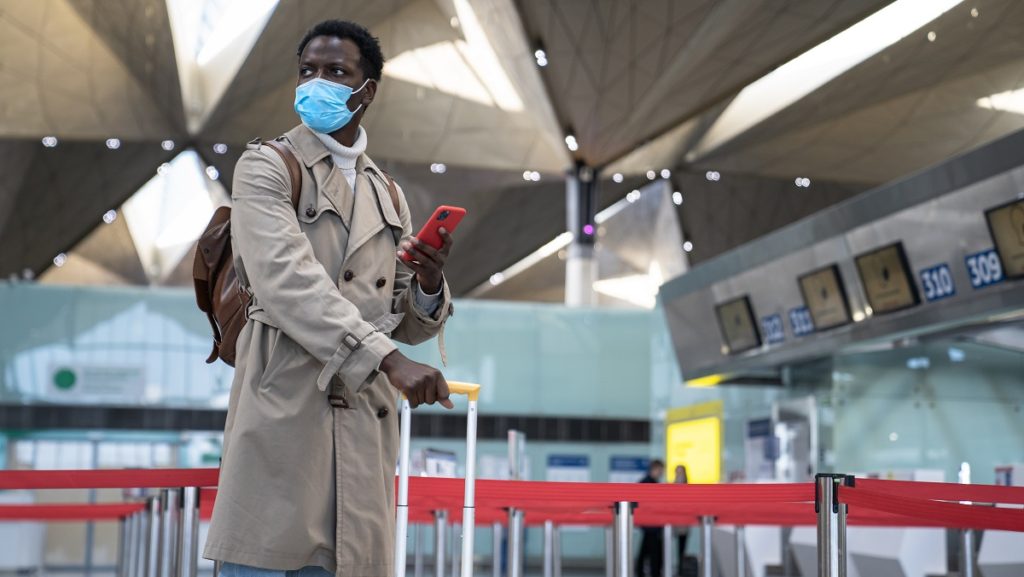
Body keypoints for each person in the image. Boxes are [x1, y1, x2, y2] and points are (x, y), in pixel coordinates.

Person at [203, 20, 455, 577]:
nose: (317, 83)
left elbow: (405, 321)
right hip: (285, 406)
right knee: (268, 556)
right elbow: (287, 282)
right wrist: (388, 360)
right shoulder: (268, 166)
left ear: (368, 90)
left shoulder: (387, 192)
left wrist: (431, 284)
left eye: (336, 72)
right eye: (308, 71)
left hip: (364, 421)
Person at [636, 459, 665, 577]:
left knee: (646, 552)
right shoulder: (648, 483)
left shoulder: (649, 482)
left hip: (650, 525)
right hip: (651, 525)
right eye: (660, 470)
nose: (661, 473)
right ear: (655, 469)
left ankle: (643, 572)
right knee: (654, 554)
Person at [674, 465, 690, 574]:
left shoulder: (688, 488)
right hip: (673, 522)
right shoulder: (671, 487)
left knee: (682, 548)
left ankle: (681, 569)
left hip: (684, 523)